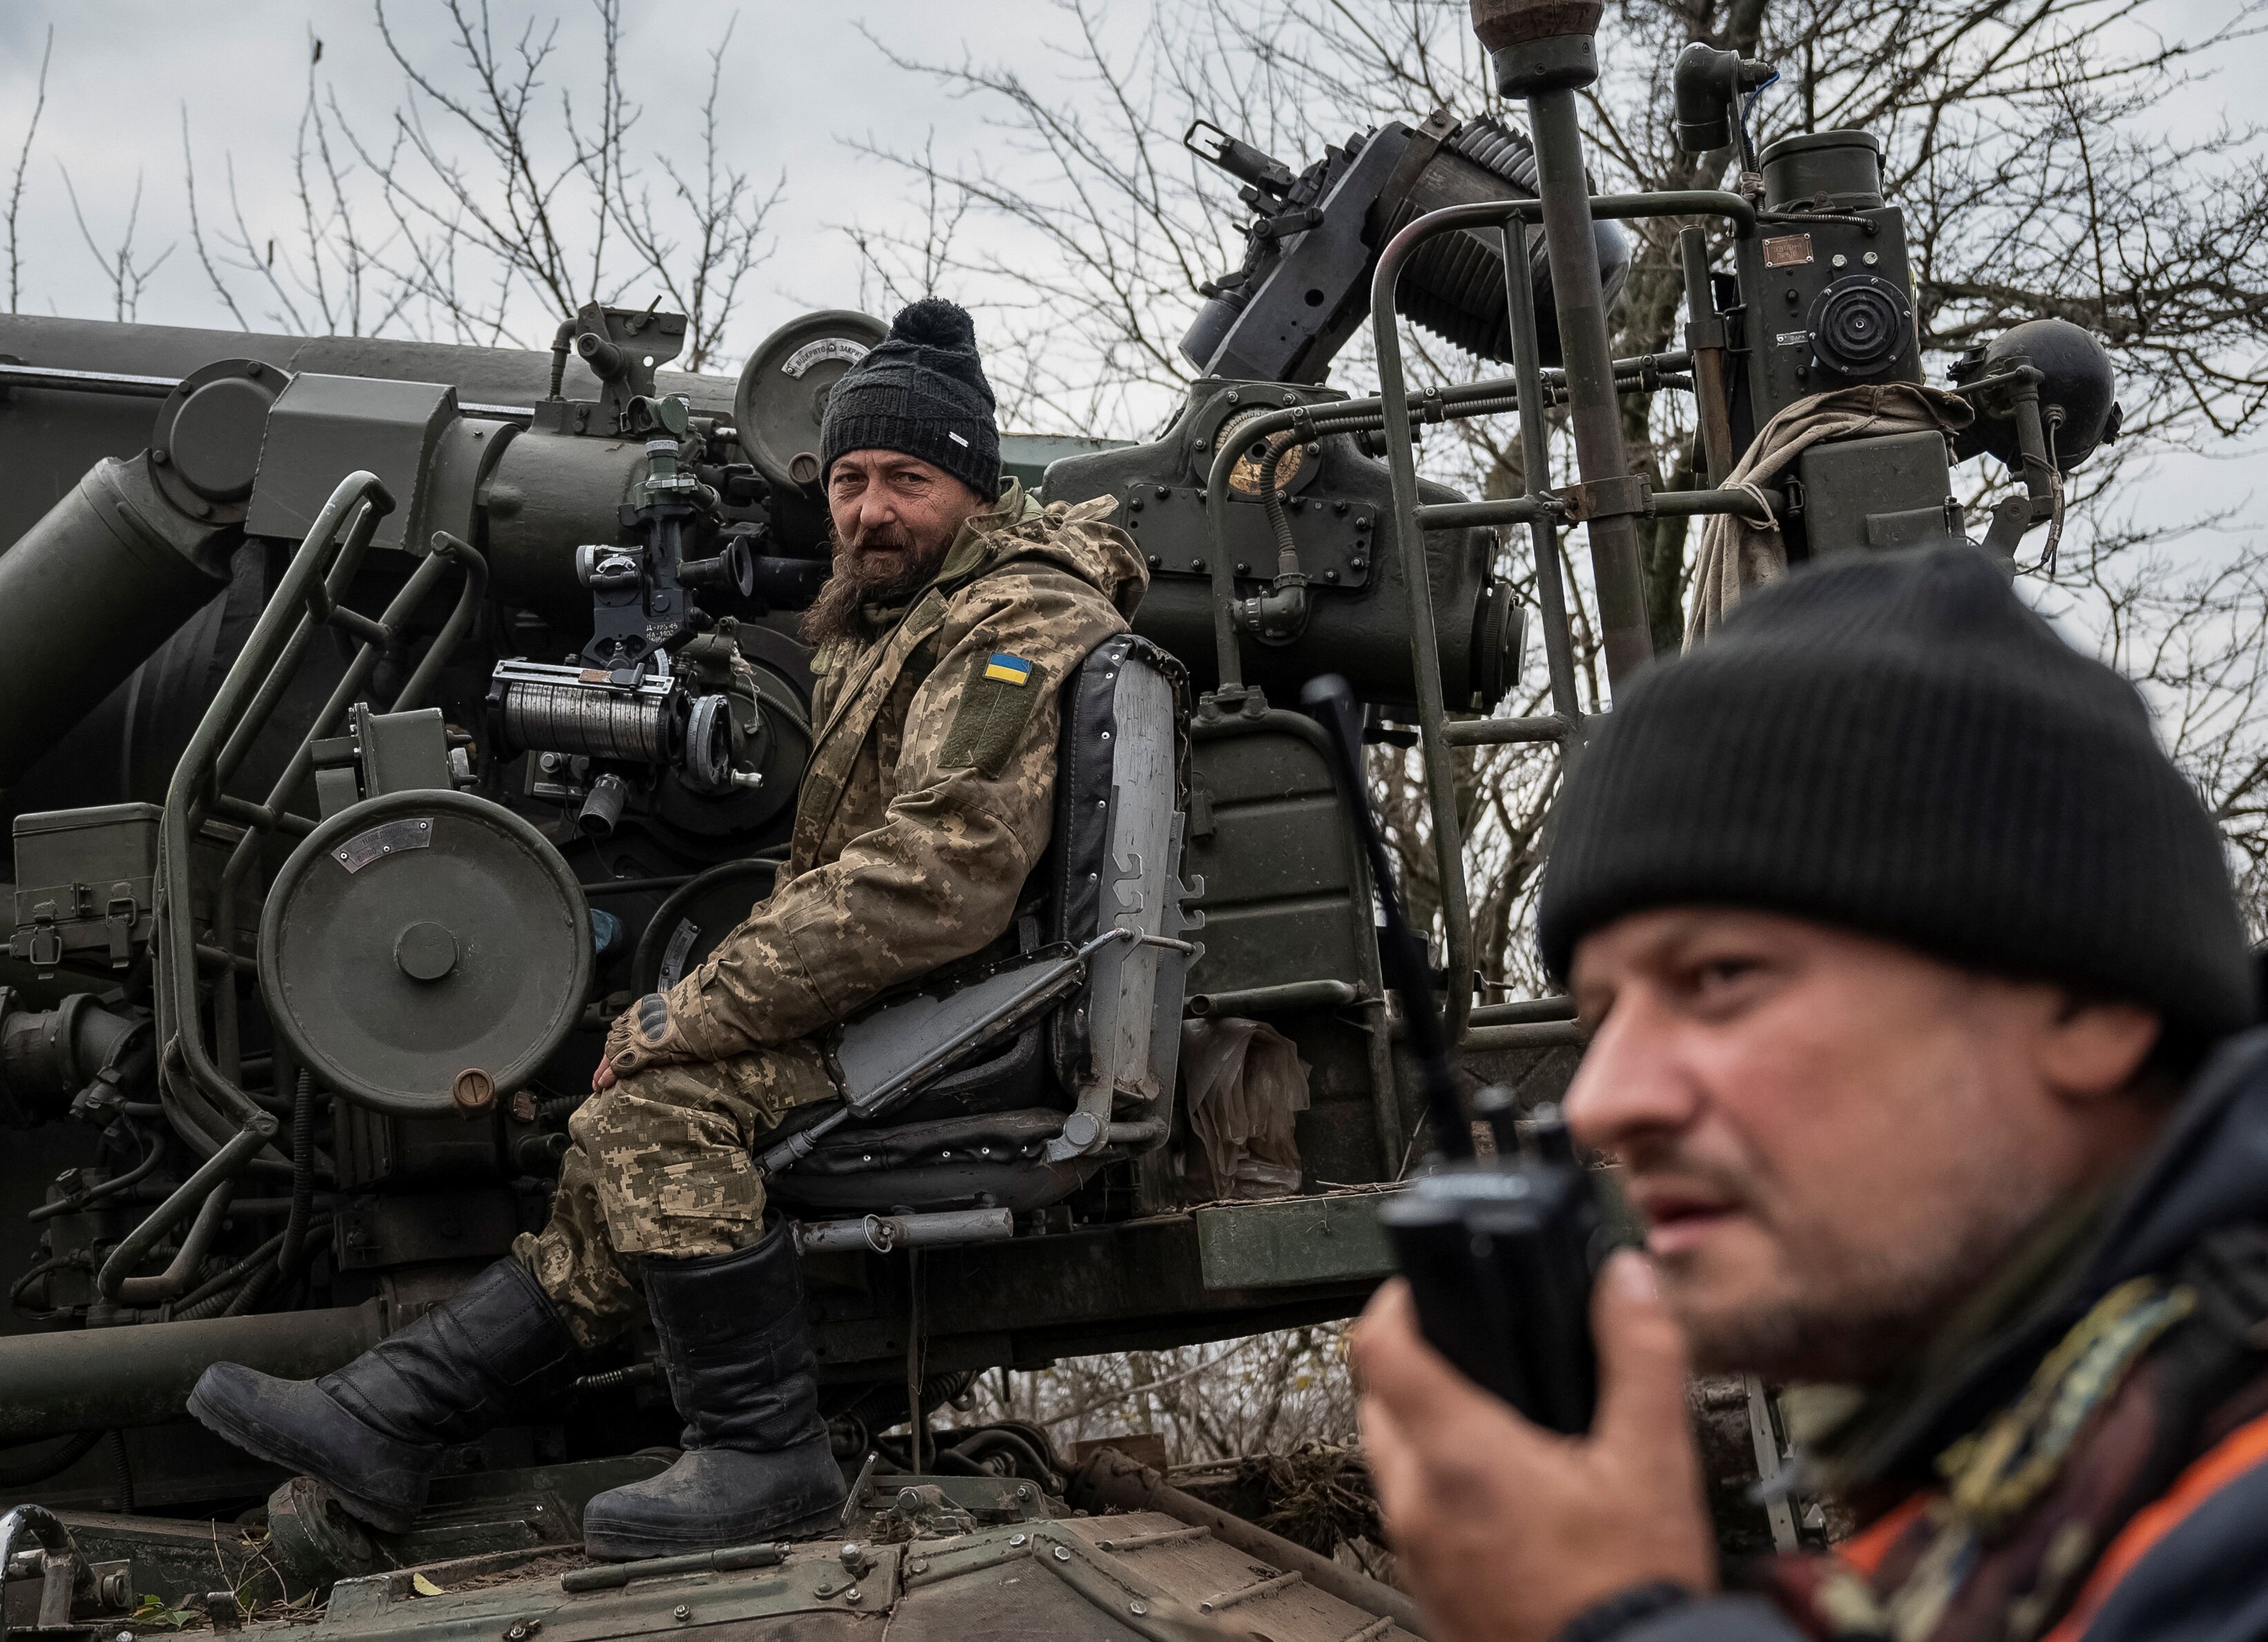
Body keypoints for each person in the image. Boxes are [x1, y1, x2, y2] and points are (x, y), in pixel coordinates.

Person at [188, 297, 1146, 1560]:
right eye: (851, 479)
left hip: (968, 1017)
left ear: (973, 486)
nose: (868, 510)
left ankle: (764, 1456)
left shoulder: (1013, 621)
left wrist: (696, 1006)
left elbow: (940, 875)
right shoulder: (900, 616)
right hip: (925, 999)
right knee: (621, 1144)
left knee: (656, 1107)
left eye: (908, 479)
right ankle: (387, 1417)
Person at [1352, 546, 2268, 1642]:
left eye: (1722, 978)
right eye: (1602, 1016)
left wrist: (1608, 1621)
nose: (1605, 1102)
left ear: (2087, 1004)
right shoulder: (2029, 1486)